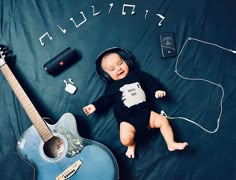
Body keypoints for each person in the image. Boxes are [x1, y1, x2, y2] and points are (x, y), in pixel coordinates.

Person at [83, 47, 188, 158]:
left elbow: (150, 81)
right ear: (107, 75)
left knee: (163, 121)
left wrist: (157, 90)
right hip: (127, 121)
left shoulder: (137, 75)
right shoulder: (111, 87)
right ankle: (131, 145)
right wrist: (94, 106)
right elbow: (105, 99)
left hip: (146, 114)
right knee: (125, 139)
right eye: (112, 69)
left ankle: (170, 143)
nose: (118, 69)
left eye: (120, 63)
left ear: (127, 61)